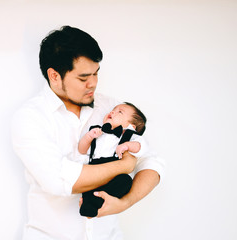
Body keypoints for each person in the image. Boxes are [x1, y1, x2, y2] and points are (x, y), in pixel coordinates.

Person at [11, 25, 164, 240]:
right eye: (83, 78)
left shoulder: (112, 108)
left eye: (96, 73)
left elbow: (152, 163)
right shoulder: (29, 118)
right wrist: (124, 165)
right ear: (54, 76)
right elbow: (60, 180)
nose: (93, 83)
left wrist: (125, 202)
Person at [78, 102, 147, 217]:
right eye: (113, 110)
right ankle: (87, 204)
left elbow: (142, 147)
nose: (112, 112)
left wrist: (127, 146)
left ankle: (98, 201)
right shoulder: (97, 131)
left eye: (120, 112)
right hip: (93, 168)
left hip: (113, 171)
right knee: (87, 182)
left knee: (125, 181)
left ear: (131, 126)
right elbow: (82, 150)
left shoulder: (130, 136)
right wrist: (89, 137)